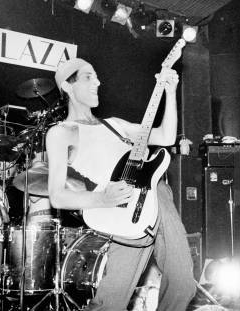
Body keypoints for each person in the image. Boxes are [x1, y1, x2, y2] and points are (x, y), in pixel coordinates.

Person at [46, 58, 195, 311]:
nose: (98, 82)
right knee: (110, 302)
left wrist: (170, 93)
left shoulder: (115, 125)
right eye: (88, 77)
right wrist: (102, 198)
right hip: (123, 212)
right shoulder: (62, 132)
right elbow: (57, 196)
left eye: (96, 76)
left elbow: (166, 136)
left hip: (158, 199)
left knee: (183, 286)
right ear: (68, 87)